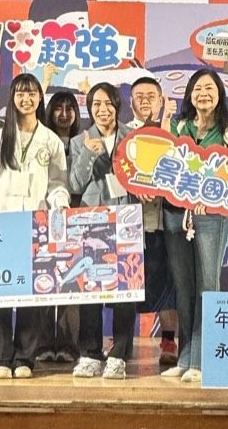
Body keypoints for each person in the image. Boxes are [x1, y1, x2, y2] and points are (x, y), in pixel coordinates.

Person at [0, 73, 70, 379]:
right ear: (12, 98)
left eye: (32, 93)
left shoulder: (50, 140)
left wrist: (60, 203)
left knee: (31, 291)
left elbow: (57, 182)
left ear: (40, 97)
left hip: (34, 223)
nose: (26, 99)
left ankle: (25, 357)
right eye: (20, 93)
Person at [162, 69, 228, 384]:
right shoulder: (178, 125)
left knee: (208, 286)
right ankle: (185, 357)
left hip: (211, 215)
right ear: (189, 95)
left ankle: (202, 359)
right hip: (176, 215)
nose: (203, 94)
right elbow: (163, 162)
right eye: (198, 89)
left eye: (210, 88)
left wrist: (206, 193)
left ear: (220, 94)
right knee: (183, 287)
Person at [69, 83, 135, 380]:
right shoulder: (79, 141)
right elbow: (74, 184)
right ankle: (89, 354)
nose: (102, 109)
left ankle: (119, 354)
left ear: (117, 106)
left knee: (126, 290)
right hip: (92, 221)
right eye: (96, 104)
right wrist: (87, 153)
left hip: (127, 219)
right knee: (90, 289)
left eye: (108, 103)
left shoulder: (132, 138)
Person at [126, 76, 179, 366]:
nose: (145, 100)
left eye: (151, 96)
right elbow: (116, 173)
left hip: (165, 220)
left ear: (161, 100)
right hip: (130, 223)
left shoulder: (175, 131)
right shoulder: (123, 133)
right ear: (130, 102)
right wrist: (133, 187)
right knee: (125, 283)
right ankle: (121, 341)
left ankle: (169, 339)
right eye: (139, 96)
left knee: (170, 283)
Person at [35, 90, 82, 365]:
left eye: (69, 108)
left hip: (74, 215)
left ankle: (68, 344)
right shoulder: (41, 139)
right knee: (42, 277)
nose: (64, 114)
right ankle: (41, 343)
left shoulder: (83, 141)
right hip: (42, 215)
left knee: (70, 279)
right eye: (58, 108)